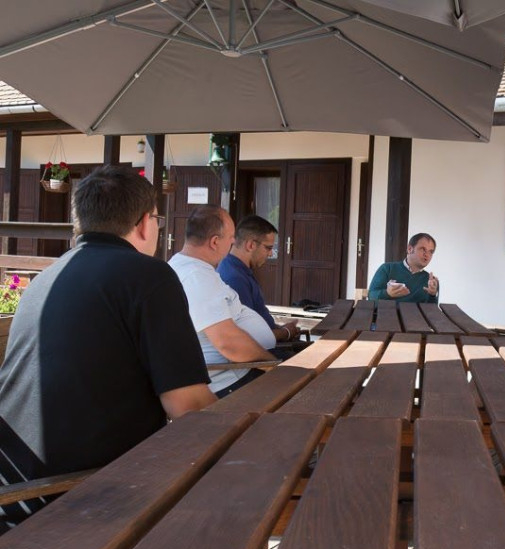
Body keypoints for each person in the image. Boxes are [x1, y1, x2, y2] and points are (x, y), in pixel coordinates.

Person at [0, 166, 214, 527]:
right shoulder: (149, 276)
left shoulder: (46, 278)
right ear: (145, 223)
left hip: (17, 491)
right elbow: (188, 407)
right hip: (78, 500)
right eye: (158, 220)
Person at [169, 205, 278, 398]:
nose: (234, 242)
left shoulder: (191, 268)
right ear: (214, 241)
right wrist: (273, 364)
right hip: (232, 379)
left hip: (240, 370)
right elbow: (228, 343)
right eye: (231, 237)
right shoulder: (197, 277)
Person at [217, 215, 298, 343]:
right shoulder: (234, 279)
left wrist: (282, 329)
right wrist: (286, 333)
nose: (270, 253)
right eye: (268, 248)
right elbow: (248, 336)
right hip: (264, 351)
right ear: (250, 245)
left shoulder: (237, 269)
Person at [368, 233, 439, 303]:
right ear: (409, 249)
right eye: (423, 249)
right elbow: (371, 296)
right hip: (388, 310)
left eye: (431, 252)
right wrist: (387, 293)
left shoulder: (431, 281)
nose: (427, 255)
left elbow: (431, 309)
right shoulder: (387, 268)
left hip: (415, 311)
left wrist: (432, 295)